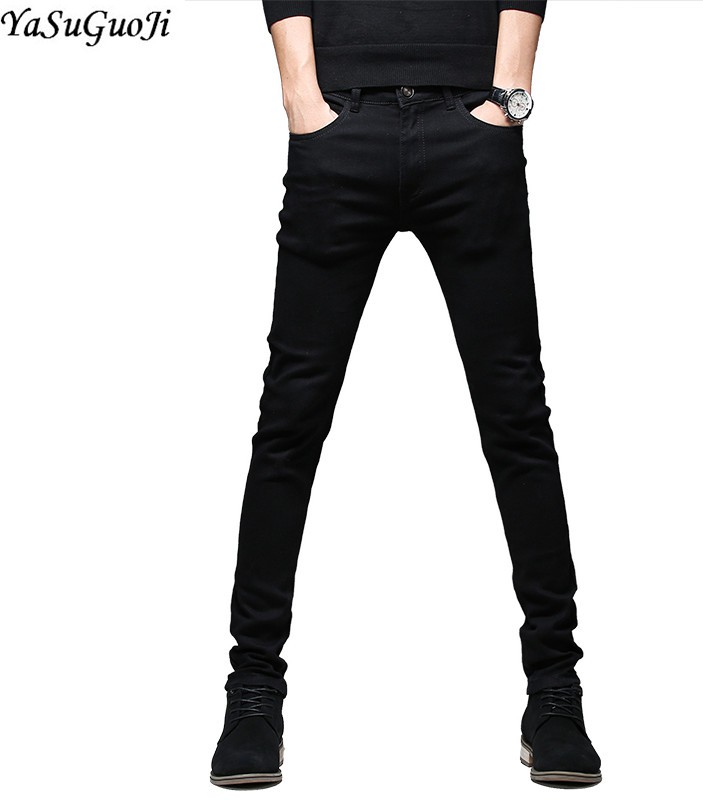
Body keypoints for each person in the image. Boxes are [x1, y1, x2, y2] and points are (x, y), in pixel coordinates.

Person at [210, 0, 601, 789]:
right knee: (290, 419)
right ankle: (252, 694)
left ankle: (555, 692)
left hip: (471, 122)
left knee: (516, 417)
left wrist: (509, 95)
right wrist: (301, 96)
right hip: (341, 123)